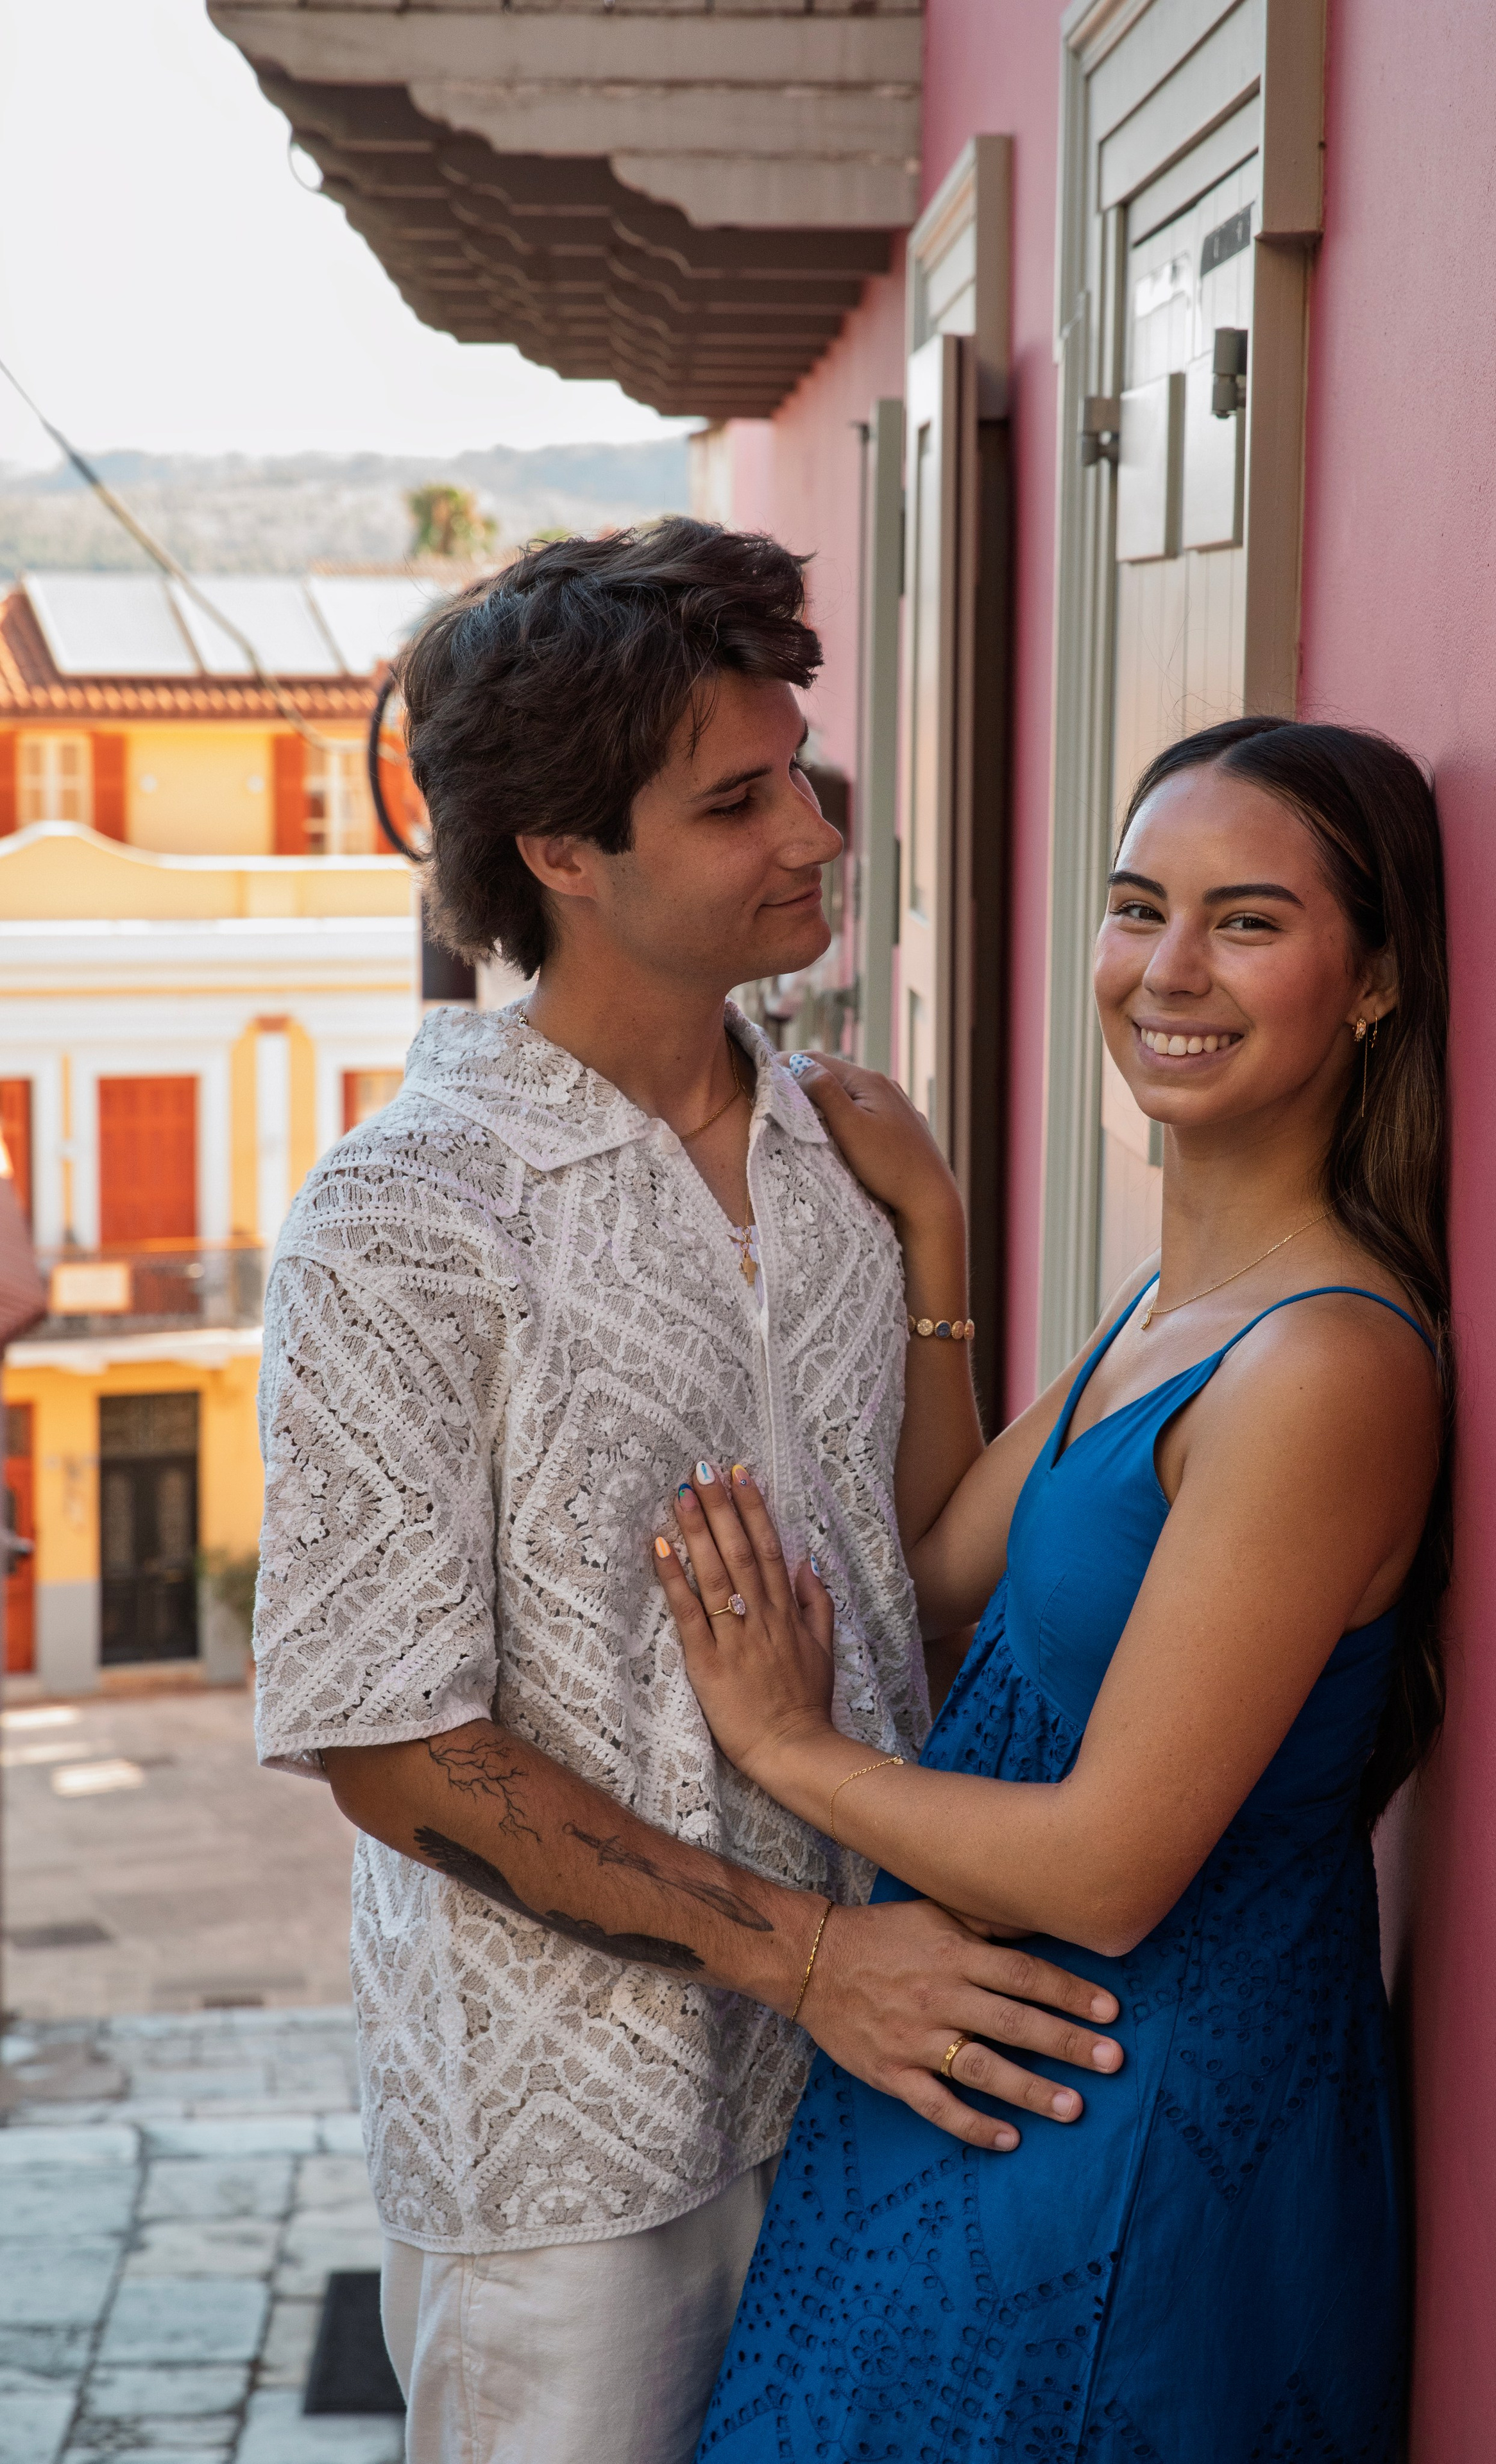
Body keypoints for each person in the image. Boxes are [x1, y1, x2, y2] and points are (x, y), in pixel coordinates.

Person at [250, 521, 1123, 2464]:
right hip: (583, 2167)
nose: (812, 831)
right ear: (561, 851)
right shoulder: (403, 1218)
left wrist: (936, 1249)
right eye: (737, 802)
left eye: (798, 769)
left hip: (872, 2095)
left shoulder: (835, 1151)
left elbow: (914, 1588)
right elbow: (389, 1746)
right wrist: (811, 1958)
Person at [655, 716, 1450, 2460]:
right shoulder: (1173, 1312)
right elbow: (937, 1563)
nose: (1168, 967)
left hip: (1124, 2147)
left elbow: (1106, 1869)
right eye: (1137, 903)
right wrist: (935, 1233)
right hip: (980, 2103)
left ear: (1376, 980)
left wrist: (784, 1750)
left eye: (1248, 920)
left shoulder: (1323, 1364)